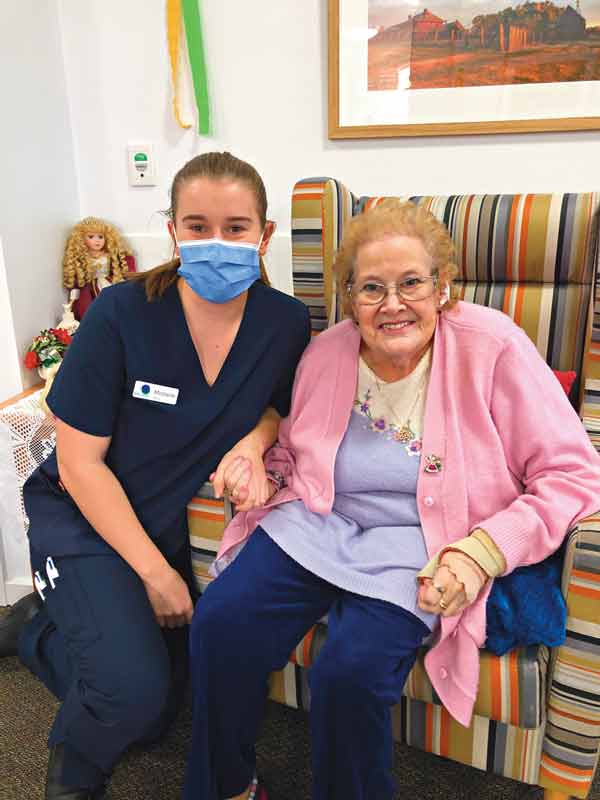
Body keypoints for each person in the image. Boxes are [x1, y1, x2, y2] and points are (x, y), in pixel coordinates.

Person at [185, 199, 600, 800]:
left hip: (427, 544)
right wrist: (262, 471)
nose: (393, 304)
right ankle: (227, 786)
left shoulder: (493, 346)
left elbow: (573, 473)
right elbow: (299, 451)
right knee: (220, 623)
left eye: (411, 283)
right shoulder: (327, 352)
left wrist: (481, 552)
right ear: (349, 298)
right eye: (371, 288)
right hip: (321, 522)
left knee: (349, 674)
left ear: (442, 286)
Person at [0, 151, 310, 800]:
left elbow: (277, 405)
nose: (216, 242)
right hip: (83, 518)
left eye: (236, 227)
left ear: (265, 235)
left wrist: (254, 442)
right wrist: (156, 574)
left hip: (165, 522)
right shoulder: (122, 313)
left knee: (164, 705)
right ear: (172, 231)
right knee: (130, 696)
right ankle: (72, 769)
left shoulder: (284, 321)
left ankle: (42, 627)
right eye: (198, 226)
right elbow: (79, 465)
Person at [62, 216, 136, 320]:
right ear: (81, 239)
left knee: (116, 301)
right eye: (91, 237)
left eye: (100, 237)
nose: (97, 241)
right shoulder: (83, 257)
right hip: (91, 289)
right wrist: (72, 300)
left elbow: (125, 263)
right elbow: (76, 285)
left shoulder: (108, 254)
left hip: (108, 283)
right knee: (91, 306)